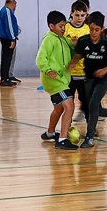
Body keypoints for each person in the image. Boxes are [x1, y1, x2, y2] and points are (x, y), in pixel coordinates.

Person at [75, 14, 107, 147]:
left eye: (97, 30)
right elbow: (77, 56)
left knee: (93, 104)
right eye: (91, 29)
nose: (93, 32)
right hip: (88, 78)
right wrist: (70, 65)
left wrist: (105, 70)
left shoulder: (106, 44)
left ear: (102, 29)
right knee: (89, 107)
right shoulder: (83, 41)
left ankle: (89, 137)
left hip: (103, 79)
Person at [36, 10, 77, 150]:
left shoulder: (64, 39)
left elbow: (70, 53)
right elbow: (40, 58)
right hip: (54, 80)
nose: (63, 28)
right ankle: (63, 139)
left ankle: (50, 133)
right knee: (69, 106)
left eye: (64, 26)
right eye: (60, 26)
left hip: (62, 79)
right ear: (51, 26)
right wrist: (48, 70)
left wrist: (74, 45)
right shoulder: (49, 39)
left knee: (58, 109)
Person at [64, 2, 91, 121]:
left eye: (82, 15)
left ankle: (87, 119)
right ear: (71, 13)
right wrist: (71, 44)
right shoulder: (65, 28)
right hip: (68, 71)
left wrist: (80, 45)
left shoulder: (88, 29)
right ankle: (67, 122)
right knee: (67, 99)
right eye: (77, 15)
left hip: (83, 71)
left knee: (85, 98)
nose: (79, 18)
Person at [0, 0, 21, 85]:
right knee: (7, 59)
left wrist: (14, 36)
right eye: (15, 3)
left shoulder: (5, 11)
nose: (15, 5)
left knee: (7, 58)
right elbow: (9, 26)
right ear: (11, 2)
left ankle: (6, 77)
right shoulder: (7, 11)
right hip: (7, 39)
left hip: (7, 37)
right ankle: (4, 79)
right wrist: (12, 38)